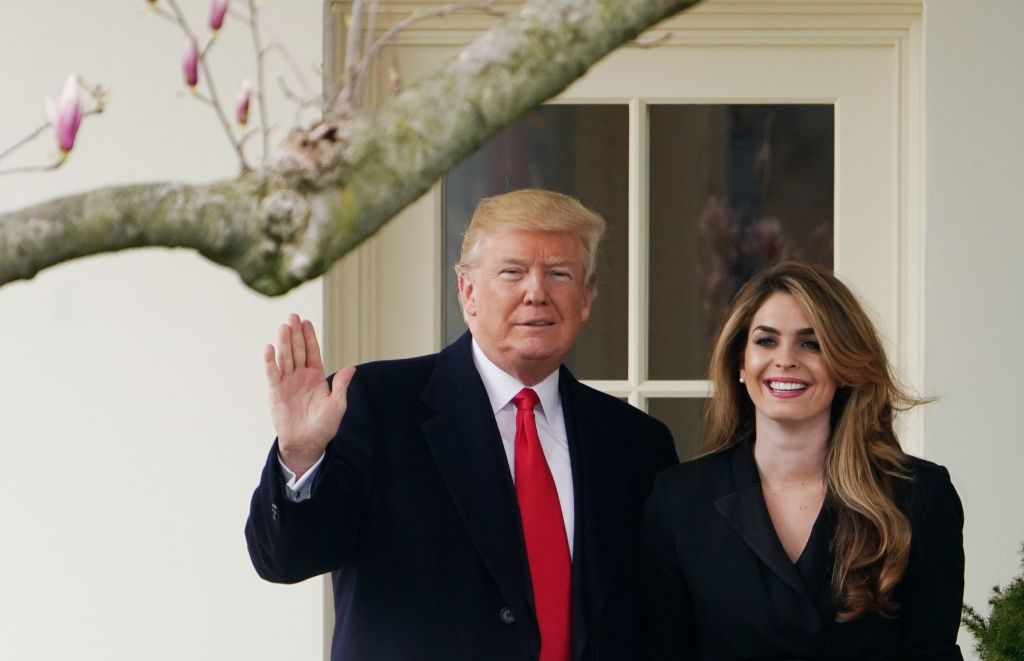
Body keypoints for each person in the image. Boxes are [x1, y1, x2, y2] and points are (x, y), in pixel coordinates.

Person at [246, 189, 678, 661]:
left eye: (559, 273)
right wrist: (301, 455)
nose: (536, 292)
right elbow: (286, 560)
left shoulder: (636, 443)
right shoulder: (374, 405)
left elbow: (658, 618)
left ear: (587, 296)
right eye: (512, 272)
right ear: (468, 291)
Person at [641, 261, 965, 660]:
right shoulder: (679, 501)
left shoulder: (918, 496)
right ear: (740, 364)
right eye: (766, 341)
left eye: (811, 343)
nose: (786, 359)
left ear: (845, 366)